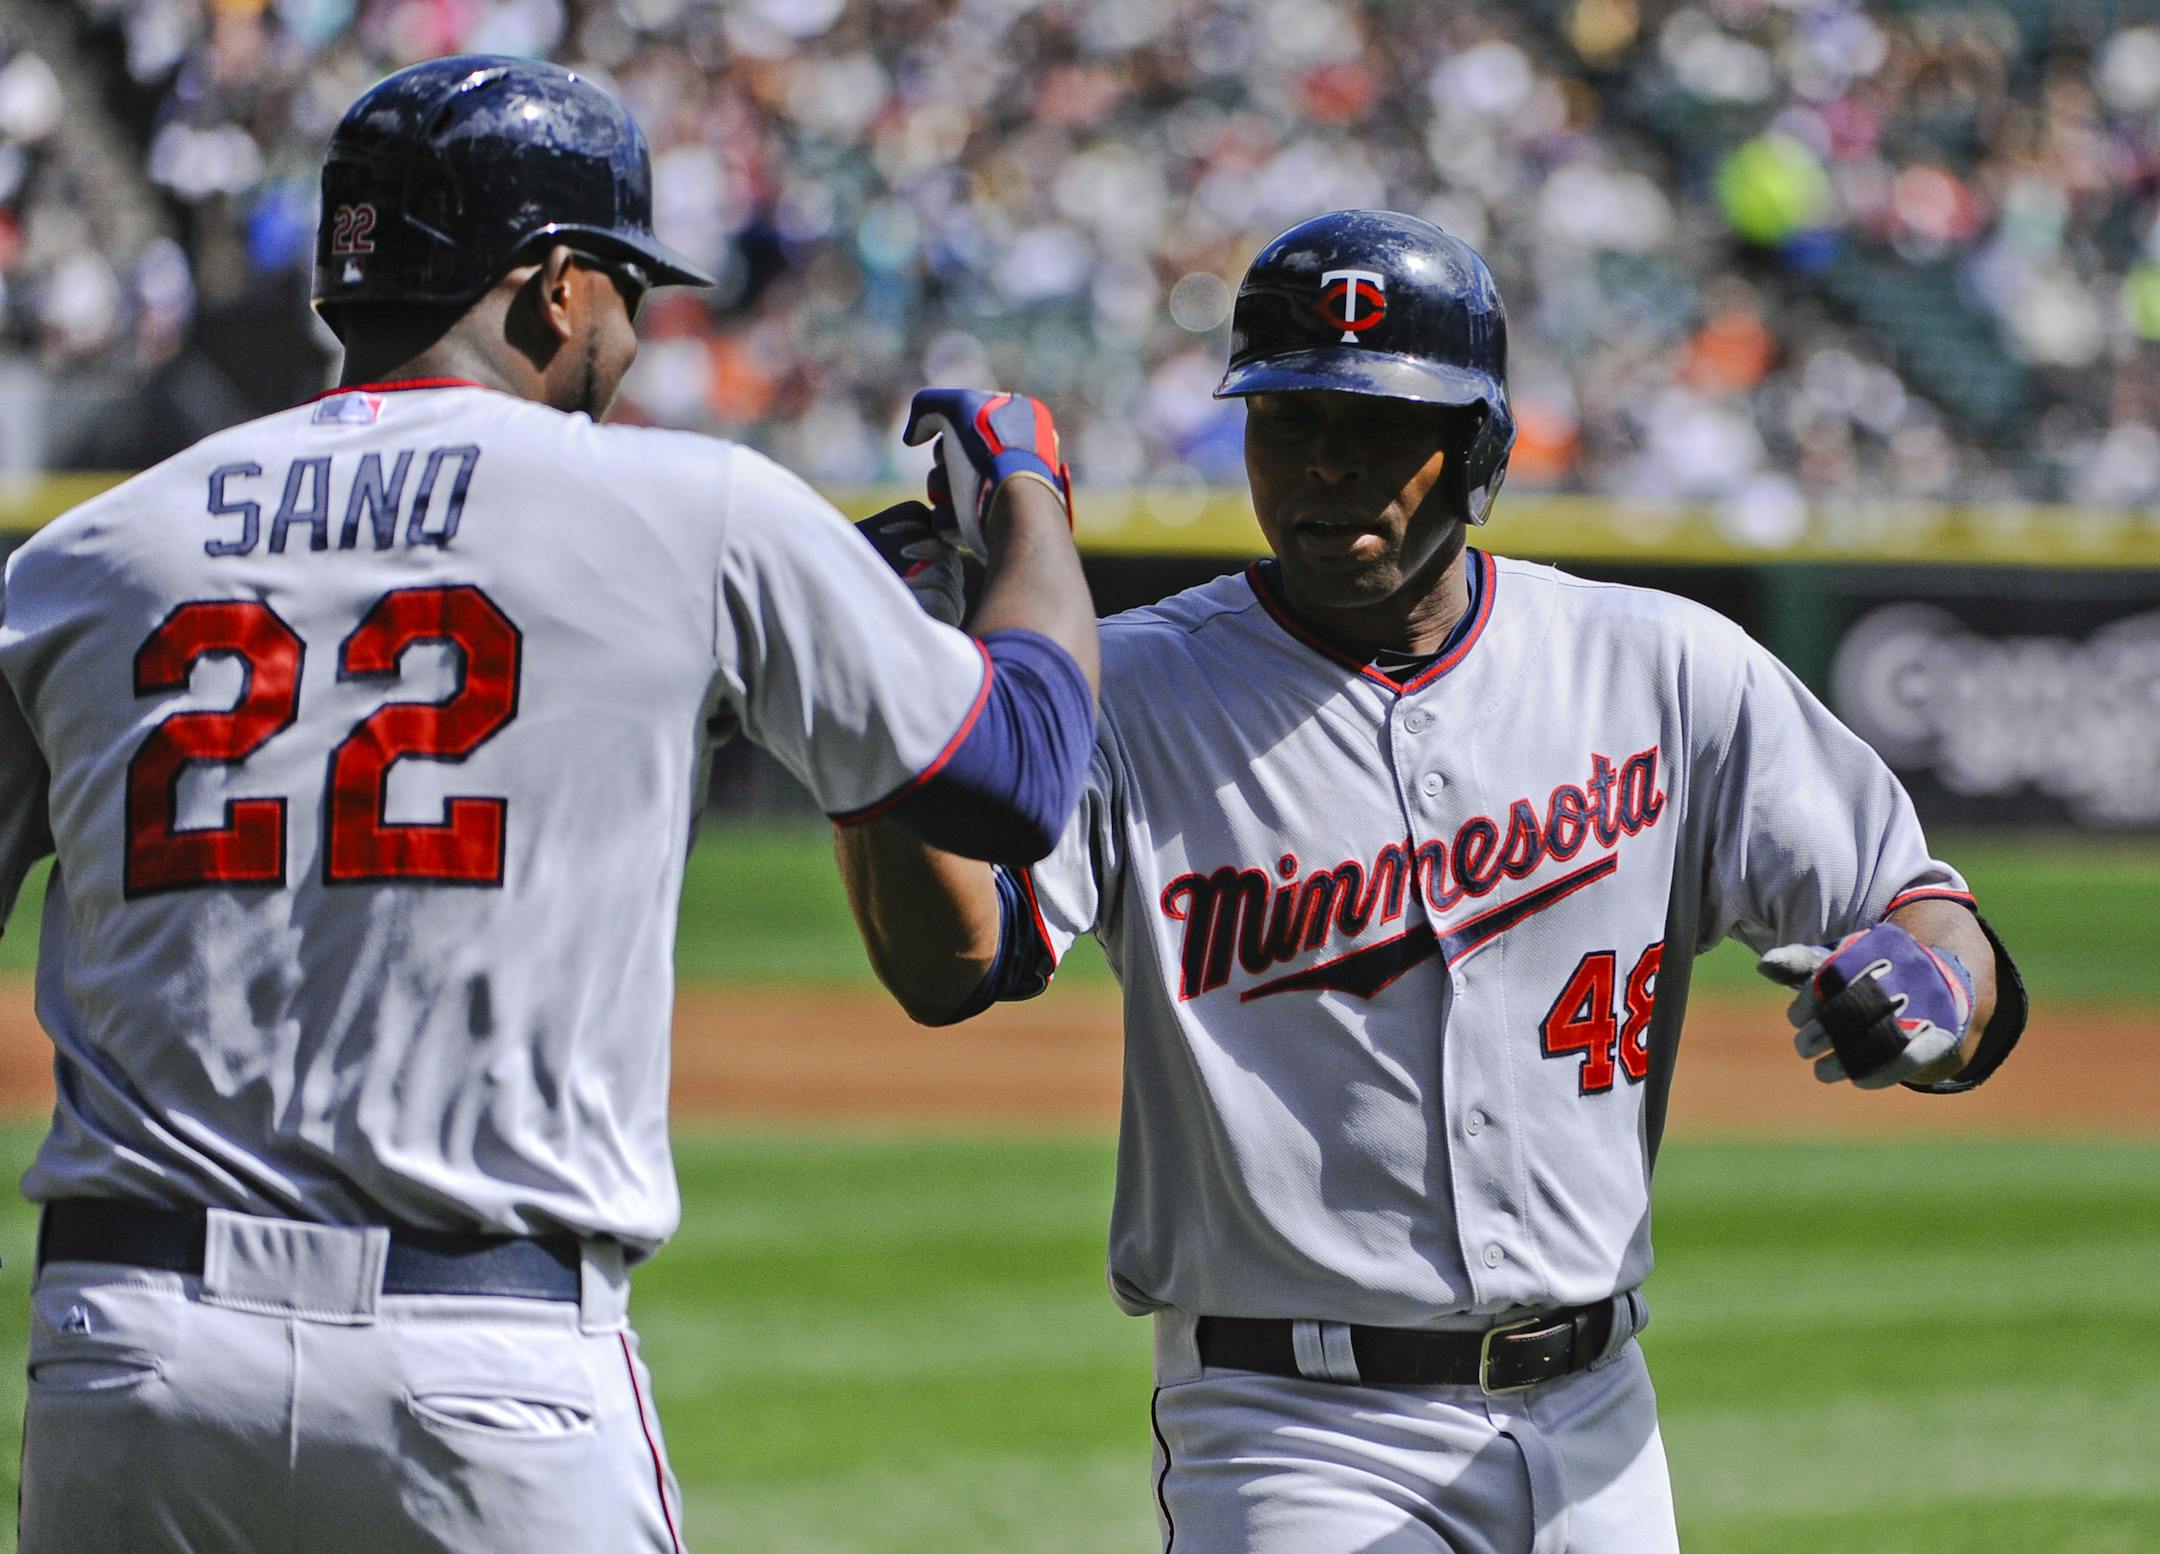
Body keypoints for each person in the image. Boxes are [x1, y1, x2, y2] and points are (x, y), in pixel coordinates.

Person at [0, 54, 1098, 1554]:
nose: (638, 336)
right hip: (485, 1364)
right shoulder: (688, 506)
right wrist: (1029, 495)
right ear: (555, 286)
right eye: (629, 292)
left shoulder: (92, 553)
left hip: (131, 1350)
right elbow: (1024, 768)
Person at [836, 209, 2027, 1554]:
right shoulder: (1135, 692)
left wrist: (1932, 981)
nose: (1328, 464)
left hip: (1603, 1424)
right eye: (1290, 421)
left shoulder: (1664, 670)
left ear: (1479, 451)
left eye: (1382, 424)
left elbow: (1932, 918)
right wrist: (879, 723)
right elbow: (952, 961)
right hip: (1294, 1430)